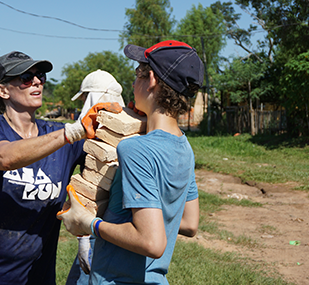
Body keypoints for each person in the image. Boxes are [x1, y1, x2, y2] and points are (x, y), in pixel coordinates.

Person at [0, 51, 103, 285]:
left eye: (39, 76)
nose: (37, 81)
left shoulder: (56, 136)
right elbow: (4, 157)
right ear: (3, 90)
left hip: (35, 276)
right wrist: (71, 132)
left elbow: (108, 155)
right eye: (26, 77)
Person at [57, 40, 203, 284]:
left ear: (152, 80)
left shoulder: (136, 149)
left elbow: (152, 243)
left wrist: (89, 223)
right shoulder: (184, 147)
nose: (133, 84)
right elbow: (189, 223)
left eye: (137, 75)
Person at [66, 70, 126, 285]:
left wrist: (83, 240)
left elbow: (88, 192)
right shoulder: (134, 131)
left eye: (84, 98)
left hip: (97, 228)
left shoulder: (95, 138)